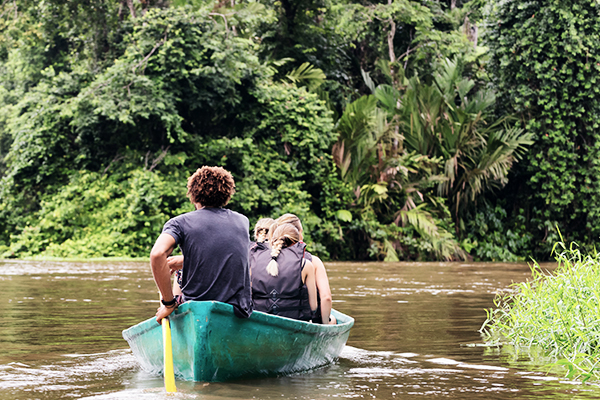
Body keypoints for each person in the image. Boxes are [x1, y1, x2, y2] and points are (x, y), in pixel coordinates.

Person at [150, 166, 253, 323]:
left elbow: (157, 254)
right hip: (236, 309)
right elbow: (225, 251)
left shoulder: (179, 223)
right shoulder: (242, 221)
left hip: (195, 307)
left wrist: (169, 303)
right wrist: (186, 261)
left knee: (176, 286)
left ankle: (171, 304)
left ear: (193, 194)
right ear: (227, 193)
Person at [270, 214, 336, 325]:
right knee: (332, 319)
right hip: (301, 320)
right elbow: (326, 298)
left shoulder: (267, 259)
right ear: (298, 233)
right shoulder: (312, 262)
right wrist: (326, 325)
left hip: (269, 314)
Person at [251, 223, 317, 321]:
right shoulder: (305, 265)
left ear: (273, 240)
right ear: (297, 242)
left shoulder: (253, 260)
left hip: (259, 321)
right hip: (295, 322)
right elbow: (313, 306)